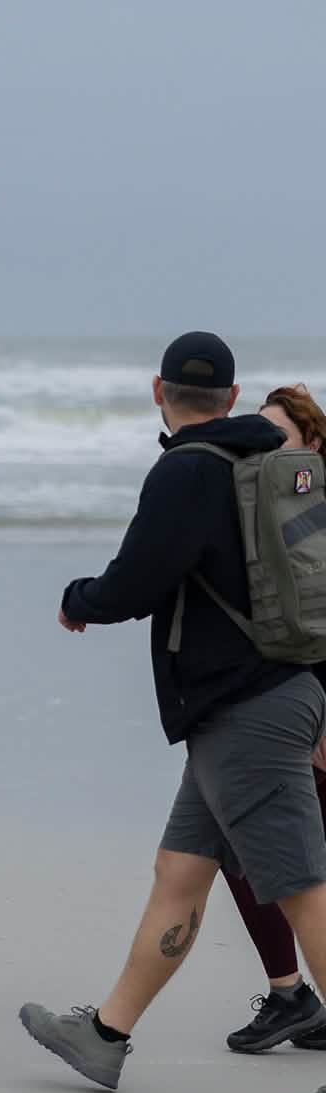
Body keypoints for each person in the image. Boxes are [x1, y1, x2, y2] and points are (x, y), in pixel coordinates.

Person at [17, 332, 326, 1093]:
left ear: (160, 392)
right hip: (268, 693)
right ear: (231, 396)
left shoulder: (188, 469)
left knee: (299, 888)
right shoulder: (265, 461)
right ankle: (105, 1035)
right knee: (180, 869)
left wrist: (76, 599)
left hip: (244, 706)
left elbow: (137, 579)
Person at [222, 384, 326, 1053]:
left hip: (307, 716)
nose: (264, 449)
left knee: (252, 853)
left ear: (312, 445)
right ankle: (290, 993)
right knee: (239, 852)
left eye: (278, 436)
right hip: (273, 706)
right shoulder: (263, 507)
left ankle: (292, 994)